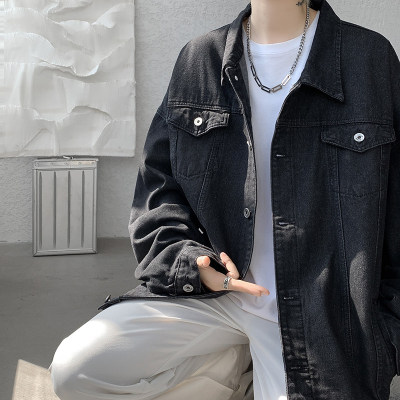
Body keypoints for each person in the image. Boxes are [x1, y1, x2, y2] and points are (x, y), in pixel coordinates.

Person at [49, 0, 400, 399]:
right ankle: (235, 370)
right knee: (76, 371)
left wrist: (385, 338)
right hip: (218, 295)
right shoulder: (200, 58)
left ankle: (244, 368)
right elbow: (158, 187)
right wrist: (189, 261)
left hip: (322, 319)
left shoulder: (367, 58)